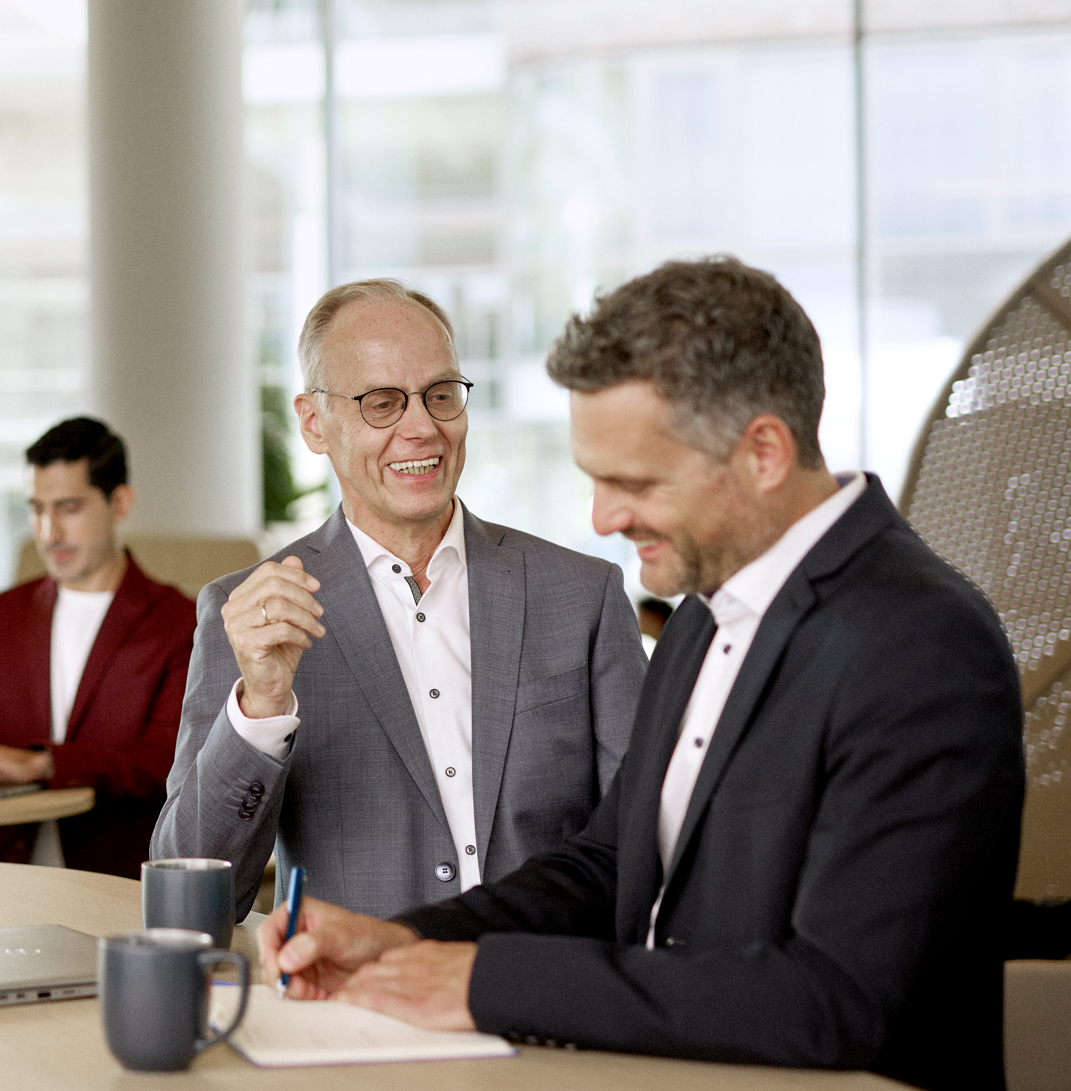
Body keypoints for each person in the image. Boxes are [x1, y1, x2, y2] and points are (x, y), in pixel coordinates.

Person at [263, 259, 1025, 1091]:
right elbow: (610, 863)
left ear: (763, 451)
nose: (604, 518)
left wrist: (483, 982)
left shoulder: (922, 642)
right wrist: (408, 939)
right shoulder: (703, 611)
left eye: (634, 482)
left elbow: (840, 999)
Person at [153, 279, 646, 917]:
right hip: (356, 980)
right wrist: (261, 708)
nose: (422, 428)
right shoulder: (252, 616)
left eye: (441, 395)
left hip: (542, 974)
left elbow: (646, 840)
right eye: (382, 403)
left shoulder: (583, 595)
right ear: (314, 423)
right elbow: (192, 899)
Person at [0, 416, 196, 879]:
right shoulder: (2, 615)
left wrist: (43, 764)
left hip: (117, 884)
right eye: (37, 509)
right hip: (5, 879)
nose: (49, 532)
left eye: (68, 508)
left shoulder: (178, 622)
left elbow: (169, 761)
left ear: (120, 503)